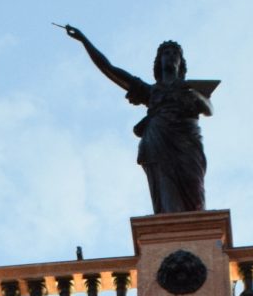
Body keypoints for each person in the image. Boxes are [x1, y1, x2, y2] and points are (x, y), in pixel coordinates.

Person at [60, 24, 215, 214]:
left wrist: (195, 96)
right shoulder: (151, 92)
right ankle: (172, 233)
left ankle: (198, 236)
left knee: (195, 192)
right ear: (159, 61)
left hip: (188, 142)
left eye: (175, 54)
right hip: (159, 141)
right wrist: (84, 40)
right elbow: (110, 69)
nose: (171, 56)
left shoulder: (189, 90)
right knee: (167, 193)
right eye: (166, 53)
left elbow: (208, 109)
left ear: (181, 62)